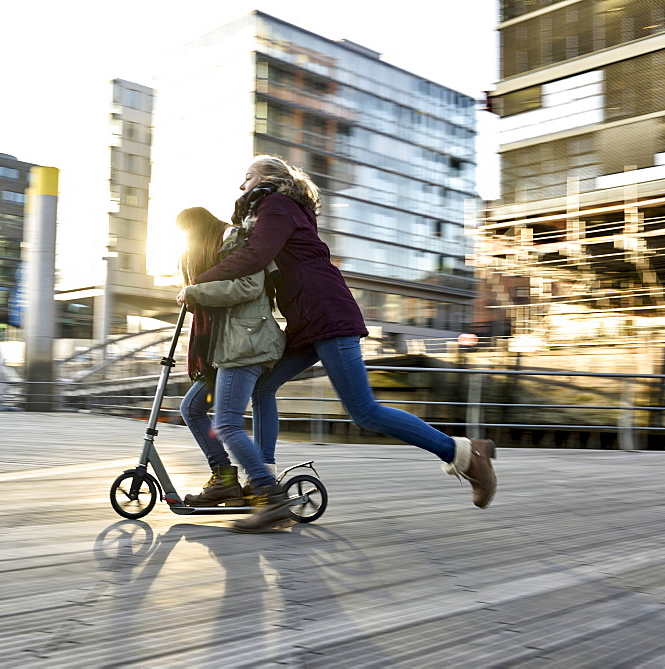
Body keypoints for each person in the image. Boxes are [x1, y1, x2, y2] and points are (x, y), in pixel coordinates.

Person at [193, 155, 496, 531]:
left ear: (269, 179)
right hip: (307, 320)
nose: (242, 186)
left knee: (364, 411)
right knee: (264, 384)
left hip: (327, 315)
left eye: (248, 176)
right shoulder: (285, 208)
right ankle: (265, 481)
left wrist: (201, 283)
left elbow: (256, 254)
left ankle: (466, 454)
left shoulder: (277, 204)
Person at [174, 207, 288, 529]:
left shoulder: (236, 240)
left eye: (187, 233)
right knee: (192, 408)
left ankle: (269, 493)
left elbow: (247, 288)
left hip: (245, 345)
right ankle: (224, 477)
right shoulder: (216, 253)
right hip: (228, 347)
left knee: (226, 423)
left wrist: (195, 291)